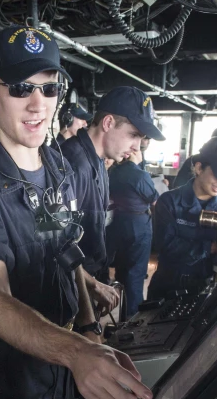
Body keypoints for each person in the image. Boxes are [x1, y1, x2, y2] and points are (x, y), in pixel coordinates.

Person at [0, 25, 152, 399]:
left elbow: (59, 243)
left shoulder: (55, 163)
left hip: (61, 356)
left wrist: (88, 321)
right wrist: (75, 351)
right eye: (21, 88)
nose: (38, 104)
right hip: (6, 379)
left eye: (49, 88)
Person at [60, 86, 164, 314]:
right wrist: (91, 288)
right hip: (72, 288)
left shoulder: (98, 160)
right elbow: (54, 247)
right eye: (134, 135)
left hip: (88, 280)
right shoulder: (71, 165)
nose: (137, 146)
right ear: (108, 123)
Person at [148, 137, 217, 300]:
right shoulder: (170, 202)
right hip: (168, 288)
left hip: (212, 291)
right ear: (199, 167)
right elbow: (166, 247)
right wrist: (211, 247)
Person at [106, 137, 161, 316]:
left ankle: (123, 314)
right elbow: (153, 198)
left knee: (123, 272)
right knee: (135, 276)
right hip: (139, 225)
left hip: (118, 222)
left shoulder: (114, 171)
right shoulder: (139, 175)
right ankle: (131, 320)